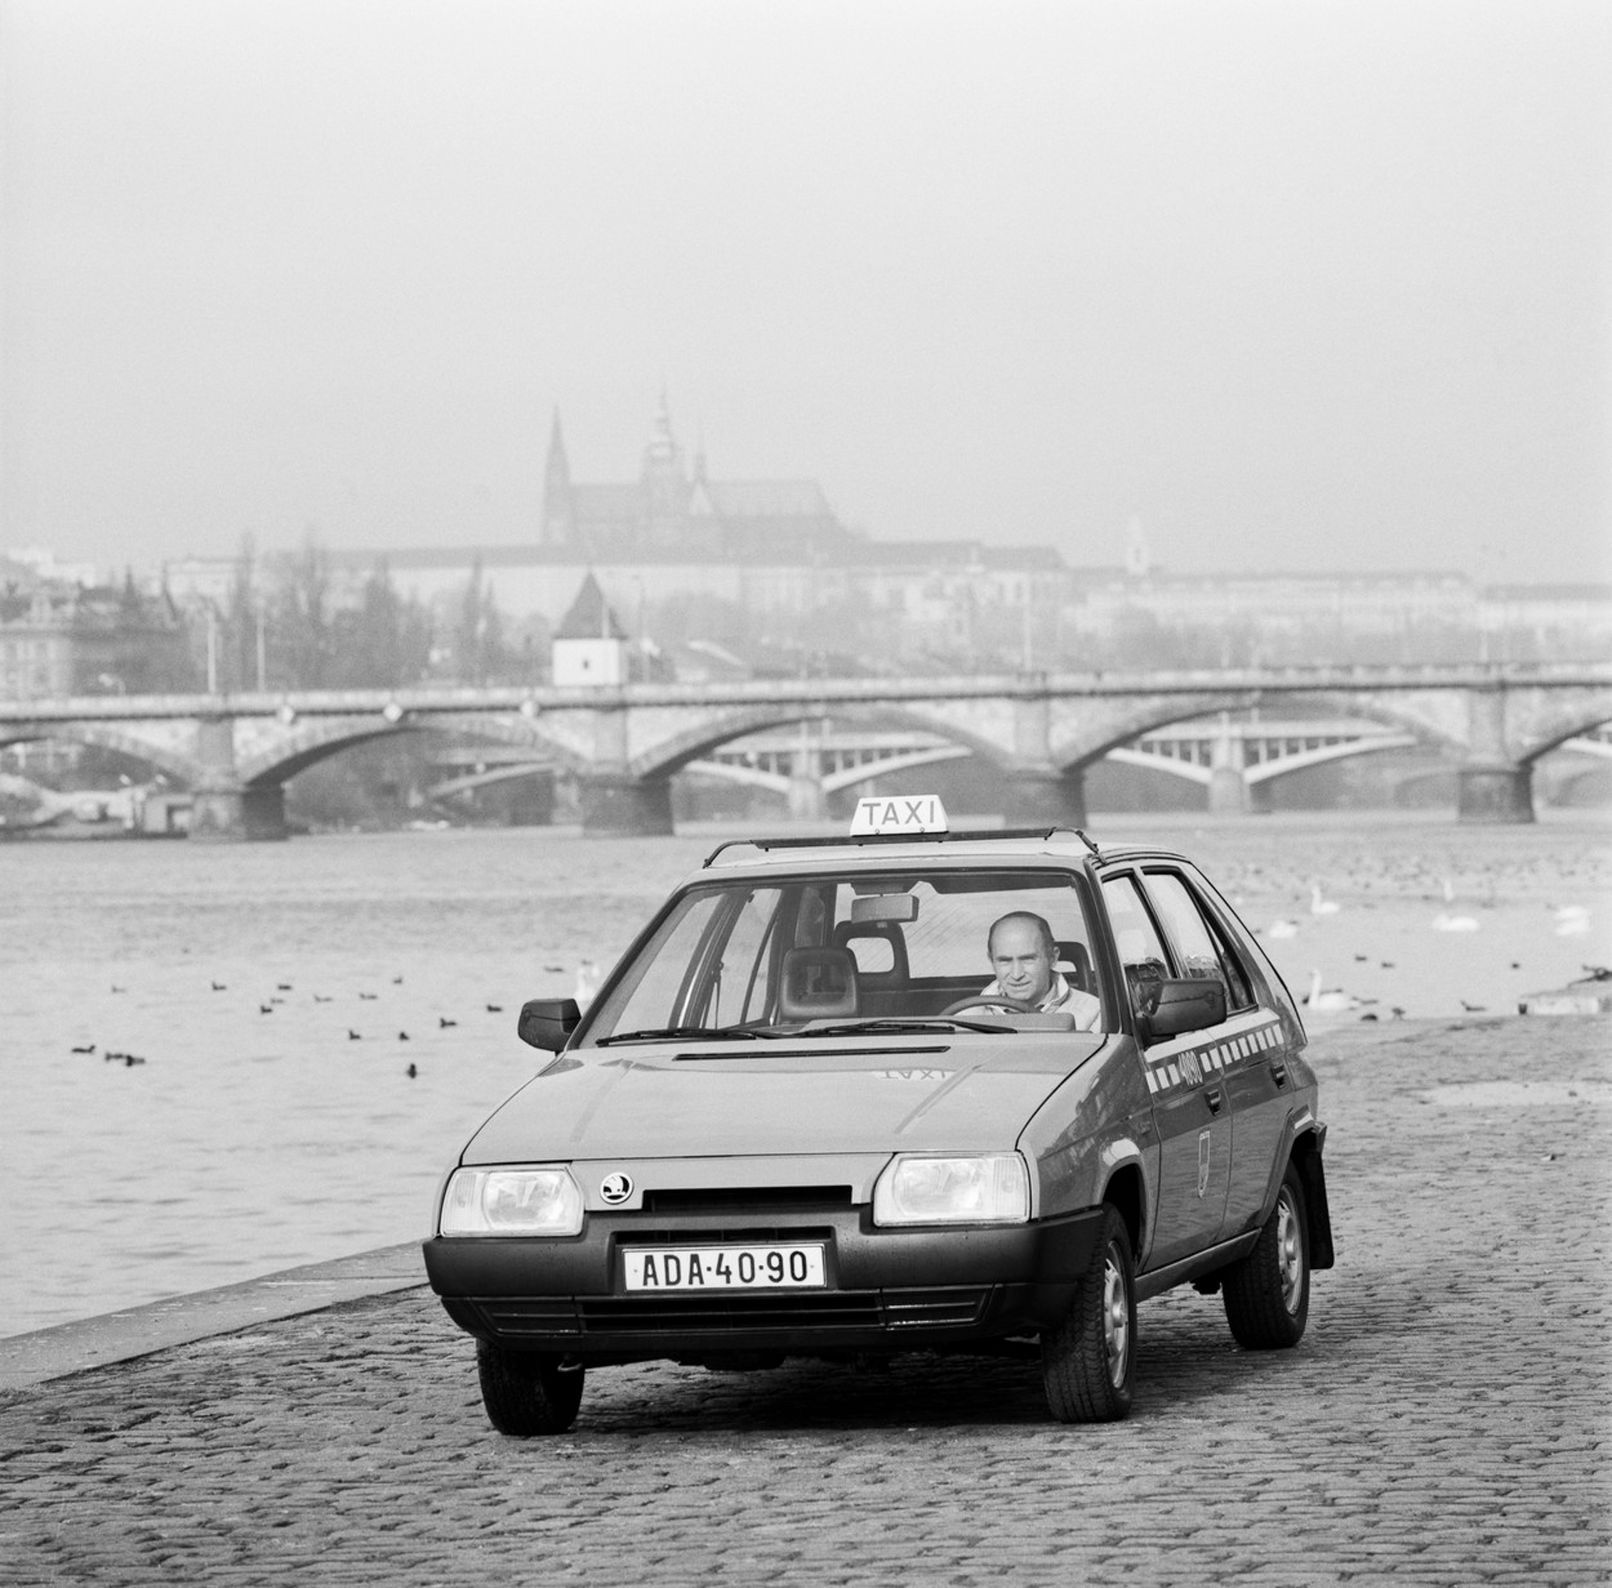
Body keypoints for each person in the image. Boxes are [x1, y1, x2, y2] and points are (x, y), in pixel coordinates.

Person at [980, 911, 1102, 1030]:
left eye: (1027, 959)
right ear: (991, 961)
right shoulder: (965, 1017)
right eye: (1004, 961)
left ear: (1052, 958)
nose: (1016, 974)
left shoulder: (1094, 1014)